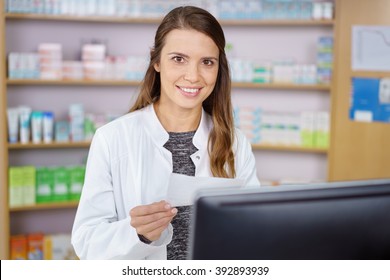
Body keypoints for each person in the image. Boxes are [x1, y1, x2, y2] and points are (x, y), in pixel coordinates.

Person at [71, 5, 260, 260]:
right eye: (179, 59)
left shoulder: (235, 143)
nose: (193, 76)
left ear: (219, 68)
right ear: (157, 61)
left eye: (207, 62)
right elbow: (87, 243)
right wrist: (138, 235)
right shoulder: (112, 139)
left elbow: (251, 234)